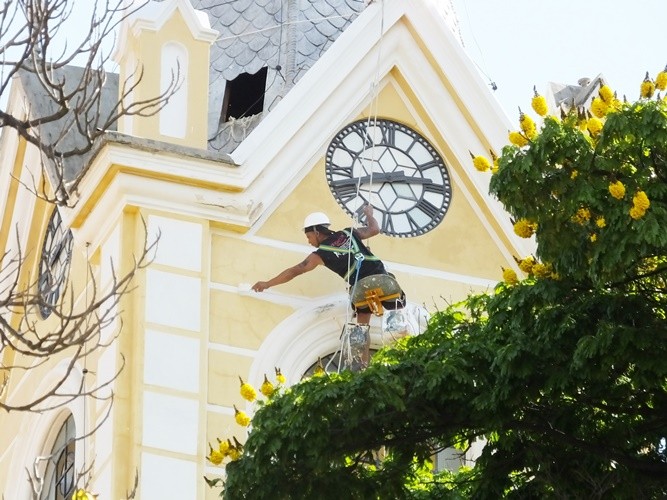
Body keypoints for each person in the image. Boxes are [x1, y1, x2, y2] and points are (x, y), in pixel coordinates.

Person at [252, 204, 405, 370]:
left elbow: (296, 270)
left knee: (361, 325)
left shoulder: (320, 254)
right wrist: (369, 214)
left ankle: (362, 365)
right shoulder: (349, 233)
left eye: (309, 236)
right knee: (398, 306)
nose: (309, 242)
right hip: (382, 279)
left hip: (359, 290)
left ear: (317, 232)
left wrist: (267, 284)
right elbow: (374, 229)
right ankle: (402, 344)